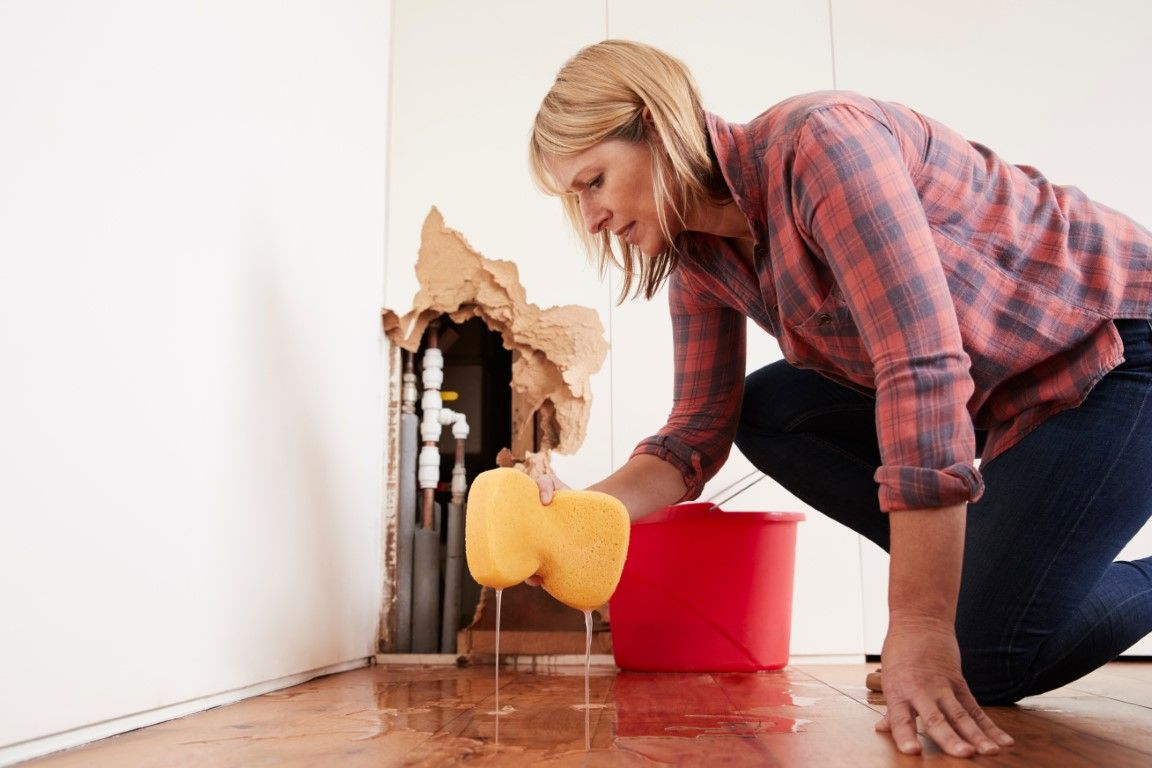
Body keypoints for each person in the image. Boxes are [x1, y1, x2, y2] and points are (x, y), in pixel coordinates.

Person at [525, 39, 1152, 759]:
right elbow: (695, 437)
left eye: (593, 181)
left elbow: (920, 367)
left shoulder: (820, 144)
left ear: (655, 124)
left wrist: (917, 624)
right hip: (1003, 395)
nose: (593, 216)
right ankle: (970, 587)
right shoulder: (701, 262)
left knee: (985, 660)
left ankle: (966, 608)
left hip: (1115, 350)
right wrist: (575, 516)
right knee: (768, 410)